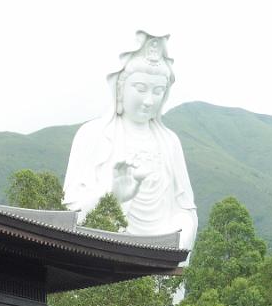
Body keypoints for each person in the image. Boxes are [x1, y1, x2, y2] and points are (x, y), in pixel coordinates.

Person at [62, 32, 198, 253]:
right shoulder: (93, 134)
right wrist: (112, 196)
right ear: (120, 88)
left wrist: (182, 233)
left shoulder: (169, 142)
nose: (149, 101)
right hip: (107, 260)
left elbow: (185, 209)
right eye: (141, 89)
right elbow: (71, 214)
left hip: (162, 257)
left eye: (158, 91)